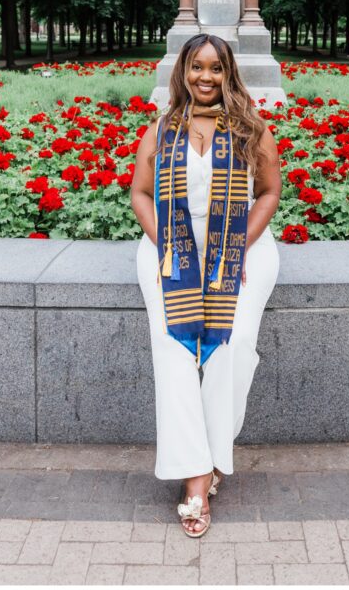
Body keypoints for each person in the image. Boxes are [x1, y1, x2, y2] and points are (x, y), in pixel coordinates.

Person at [131, 34, 281, 538]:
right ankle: (197, 476)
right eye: (197, 67)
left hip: (241, 245)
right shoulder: (162, 128)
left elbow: (268, 191)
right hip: (170, 244)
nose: (206, 77)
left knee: (230, 347)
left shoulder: (250, 129)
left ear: (229, 73)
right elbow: (140, 193)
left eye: (216, 69)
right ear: (184, 72)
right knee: (174, 349)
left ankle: (215, 455)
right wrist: (167, 245)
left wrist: (239, 246)